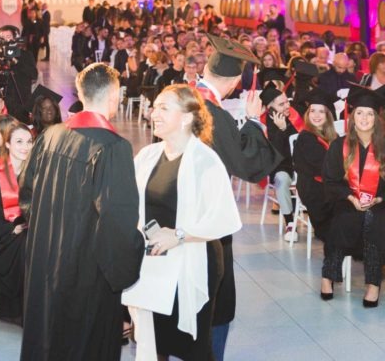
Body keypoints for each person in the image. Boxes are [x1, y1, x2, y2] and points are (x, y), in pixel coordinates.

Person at [19, 63, 145, 361]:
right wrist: (133, 257)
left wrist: (47, 232)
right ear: (115, 97)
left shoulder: (50, 137)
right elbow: (118, 220)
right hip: (87, 272)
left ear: (80, 92)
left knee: (48, 341)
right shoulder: (113, 148)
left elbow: (26, 194)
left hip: (45, 261)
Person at [123, 84, 241, 361]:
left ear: (187, 117)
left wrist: (178, 234)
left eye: (164, 108)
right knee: (156, 342)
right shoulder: (147, 156)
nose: (154, 113)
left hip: (193, 260)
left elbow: (224, 218)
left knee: (193, 348)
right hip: (154, 263)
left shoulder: (206, 161)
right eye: (155, 107)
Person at [194, 35, 282, 360]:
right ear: (233, 82)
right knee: (217, 299)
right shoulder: (214, 116)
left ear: (205, 67)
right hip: (209, 222)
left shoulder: (184, 98)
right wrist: (255, 121)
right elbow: (247, 163)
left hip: (178, 215)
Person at [321, 86, 385, 305]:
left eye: (369, 113)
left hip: (379, 203)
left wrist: (378, 199)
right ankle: (328, 275)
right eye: (359, 112)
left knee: (375, 222)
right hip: (347, 200)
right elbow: (331, 181)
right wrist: (350, 197)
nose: (364, 118)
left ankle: (373, 284)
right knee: (343, 220)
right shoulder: (339, 145)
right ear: (352, 116)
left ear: (377, 117)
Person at [0, 119, 33, 325]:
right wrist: (14, 228)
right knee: (27, 245)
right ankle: (24, 312)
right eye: (19, 142)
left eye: (29, 142)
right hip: (4, 243)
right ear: (8, 144)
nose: (25, 147)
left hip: (33, 235)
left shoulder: (39, 173)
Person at [261, 84, 305, 241]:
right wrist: (282, 130)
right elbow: (277, 152)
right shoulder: (267, 123)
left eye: (287, 101)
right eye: (281, 104)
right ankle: (290, 222)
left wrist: (285, 127)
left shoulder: (287, 118)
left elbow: (299, 143)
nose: (287, 106)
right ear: (270, 108)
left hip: (299, 165)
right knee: (280, 179)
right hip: (281, 166)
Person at [293, 88, 338, 242]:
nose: (316, 115)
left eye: (321, 111)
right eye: (313, 111)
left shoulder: (333, 136)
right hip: (315, 190)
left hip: (329, 186)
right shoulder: (306, 138)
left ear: (328, 115)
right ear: (307, 113)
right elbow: (323, 167)